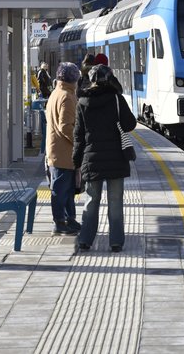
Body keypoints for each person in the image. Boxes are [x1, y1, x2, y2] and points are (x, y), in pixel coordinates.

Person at [73, 64, 137, 252]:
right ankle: (116, 242)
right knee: (115, 201)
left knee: (92, 200)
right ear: (109, 79)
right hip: (116, 158)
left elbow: (78, 136)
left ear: (91, 80)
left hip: (92, 160)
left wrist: (76, 162)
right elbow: (130, 124)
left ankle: (85, 240)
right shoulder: (117, 99)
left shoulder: (82, 102)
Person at [45, 62, 82, 235]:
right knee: (61, 190)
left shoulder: (56, 92)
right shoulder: (67, 96)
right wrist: (79, 142)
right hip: (63, 151)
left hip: (57, 149)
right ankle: (60, 222)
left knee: (65, 189)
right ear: (73, 79)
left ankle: (69, 219)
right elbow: (66, 126)